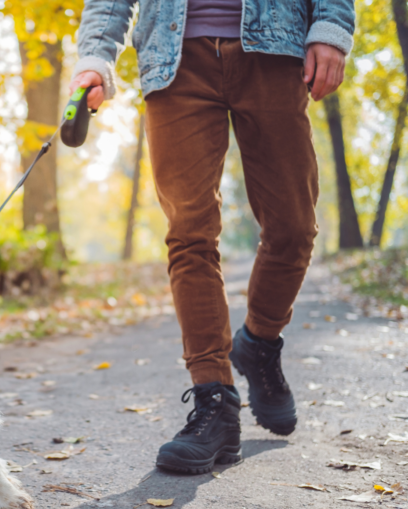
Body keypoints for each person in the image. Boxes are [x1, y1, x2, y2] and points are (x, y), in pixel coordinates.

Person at [70, 0, 355, 474]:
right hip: (174, 59)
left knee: (293, 227)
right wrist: (96, 57)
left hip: (275, 49)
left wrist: (330, 24)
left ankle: (259, 343)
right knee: (189, 233)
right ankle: (214, 399)